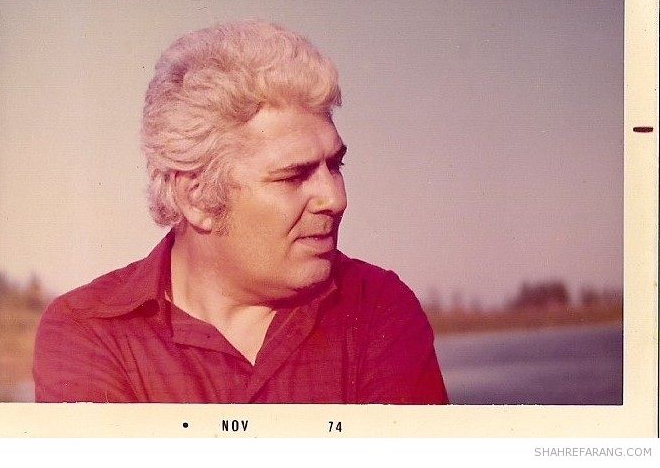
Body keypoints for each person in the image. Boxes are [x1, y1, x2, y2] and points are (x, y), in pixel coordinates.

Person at [33, 20, 449, 404]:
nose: (335, 199)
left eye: (335, 165)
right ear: (197, 196)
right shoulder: (90, 333)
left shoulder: (378, 310)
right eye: (294, 175)